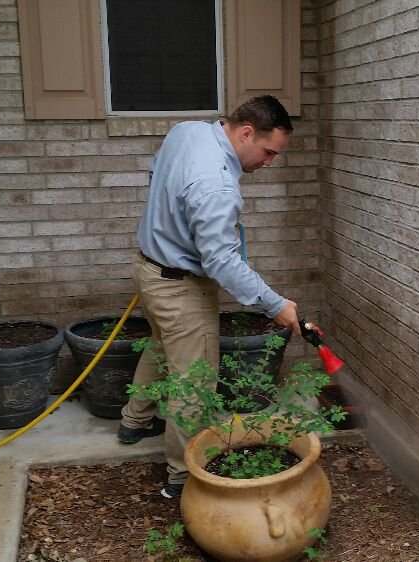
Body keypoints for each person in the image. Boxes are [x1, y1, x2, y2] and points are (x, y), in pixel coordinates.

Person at [116, 95, 301, 499]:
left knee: (163, 345)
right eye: (268, 152)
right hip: (181, 286)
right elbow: (222, 263)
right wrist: (276, 304)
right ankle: (184, 477)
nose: (268, 162)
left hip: (148, 267)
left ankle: (135, 420)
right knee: (195, 380)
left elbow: (158, 177)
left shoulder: (188, 131)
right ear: (247, 132)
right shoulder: (217, 184)